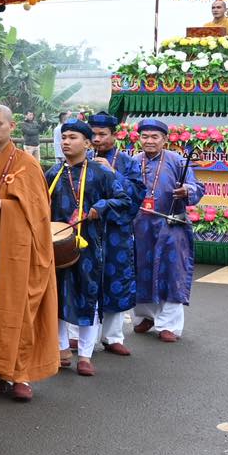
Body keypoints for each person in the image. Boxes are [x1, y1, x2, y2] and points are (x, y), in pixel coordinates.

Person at [0, 105, 60, 401]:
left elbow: (38, 212)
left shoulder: (27, 164)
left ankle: (18, 374)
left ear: (12, 126)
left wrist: (4, 206)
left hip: (16, 252)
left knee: (17, 310)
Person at [47, 121, 131, 374]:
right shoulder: (53, 173)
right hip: (57, 245)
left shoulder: (101, 173)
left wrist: (101, 208)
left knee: (88, 296)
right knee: (58, 297)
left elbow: (123, 200)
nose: (66, 142)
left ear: (86, 143)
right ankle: (61, 348)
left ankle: (85, 354)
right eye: (63, 137)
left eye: (72, 137)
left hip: (89, 246)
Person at [130, 118, 204, 342]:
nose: (149, 141)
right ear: (139, 139)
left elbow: (197, 187)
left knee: (172, 273)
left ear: (164, 139)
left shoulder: (177, 161)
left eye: (154, 137)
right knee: (140, 272)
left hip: (171, 225)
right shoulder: (133, 162)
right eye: (145, 136)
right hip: (140, 227)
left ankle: (168, 325)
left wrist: (186, 190)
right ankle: (146, 317)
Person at [85, 113, 142, 355]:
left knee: (115, 279)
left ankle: (112, 337)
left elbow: (137, 193)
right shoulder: (81, 157)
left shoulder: (127, 162)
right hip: (87, 229)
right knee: (84, 280)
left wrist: (112, 172)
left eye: (102, 134)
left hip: (116, 231)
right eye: (93, 134)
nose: (97, 140)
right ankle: (80, 336)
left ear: (114, 135)